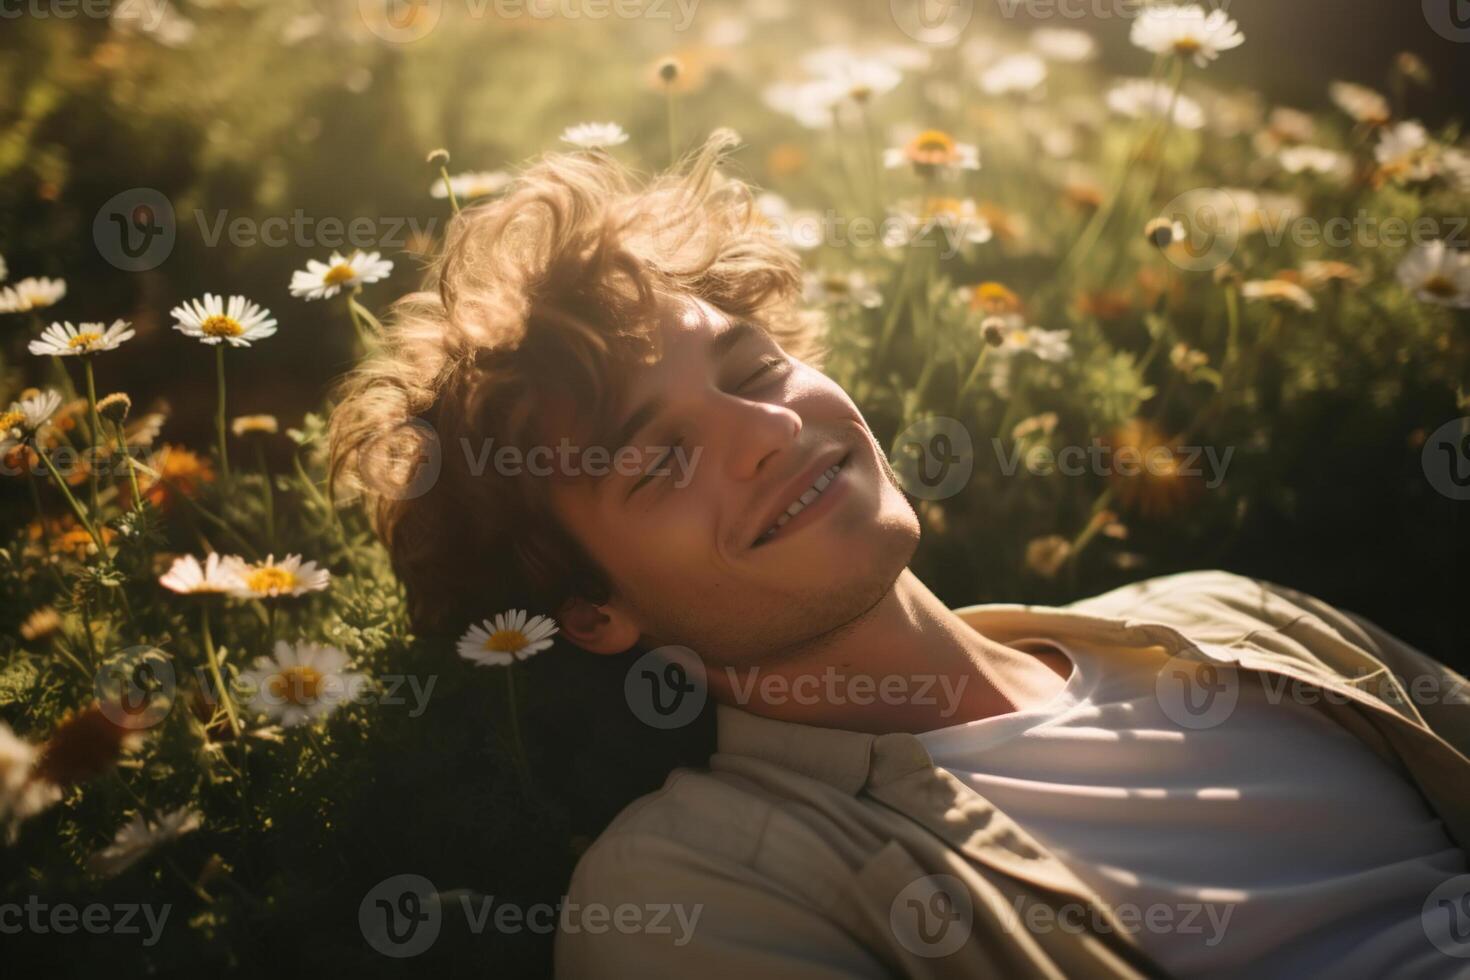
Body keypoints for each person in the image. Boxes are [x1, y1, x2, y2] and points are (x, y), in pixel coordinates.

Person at [327, 131, 1470, 978]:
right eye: (660, 460)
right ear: (590, 613)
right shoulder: (699, 885)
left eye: (754, 370)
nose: (771, 432)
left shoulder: (1225, 610)